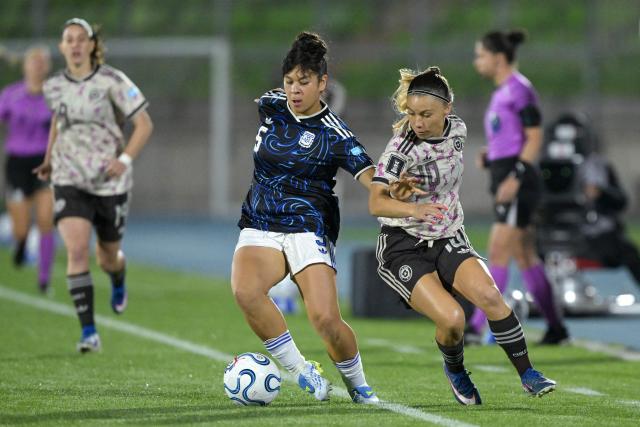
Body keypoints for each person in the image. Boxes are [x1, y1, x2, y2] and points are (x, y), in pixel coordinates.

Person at [369, 66, 556, 405]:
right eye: (412, 114)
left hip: (448, 236)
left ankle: (529, 374)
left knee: (490, 296)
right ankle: (455, 369)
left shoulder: (458, 130)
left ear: (447, 110)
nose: (418, 122)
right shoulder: (400, 149)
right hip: (403, 246)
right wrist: (409, 205)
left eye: (426, 114)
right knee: (453, 319)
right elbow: (375, 202)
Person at [231, 32, 378, 404]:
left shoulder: (336, 135)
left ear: (323, 83)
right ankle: (301, 371)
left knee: (326, 321)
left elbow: (370, 177)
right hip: (261, 219)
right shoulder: (271, 105)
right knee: (246, 292)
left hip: (308, 225)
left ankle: (358, 385)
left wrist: (394, 189)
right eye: (289, 81)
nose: (295, 90)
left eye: (304, 82)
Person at [34, 18, 153, 352]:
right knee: (75, 249)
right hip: (68, 177)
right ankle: (89, 332)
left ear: (91, 45)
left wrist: (124, 160)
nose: (74, 44)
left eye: (80, 39)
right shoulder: (54, 86)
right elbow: (59, 121)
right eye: (68, 39)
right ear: (62, 47)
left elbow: (143, 123)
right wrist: (48, 158)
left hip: (108, 182)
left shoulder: (113, 80)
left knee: (107, 256)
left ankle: (118, 276)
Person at [470, 29, 569, 345]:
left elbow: (535, 137)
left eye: (481, 55)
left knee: (498, 249)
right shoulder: (502, 92)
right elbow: (509, 137)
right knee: (525, 256)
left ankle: (474, 327)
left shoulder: (520, 90)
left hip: (519, 181)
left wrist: (514, 176)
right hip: (506, 173)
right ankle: (557, 329)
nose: (477, 62)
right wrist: (492, 155)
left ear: (498, 58)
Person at [0, 46, 55, 292]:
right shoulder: (11, 95)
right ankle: (21, 244)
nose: (38, 65)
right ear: (25, 65)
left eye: (42, 62)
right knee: (21, 227)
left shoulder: (55, 96)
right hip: (17, 164)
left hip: (45, 163)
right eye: (34, 61)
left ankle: (44, 279)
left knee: (46, 220)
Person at [578, 152, 640, 287]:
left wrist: (600, 193)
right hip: (562, 232)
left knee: (629, 254)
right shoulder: (547, 165)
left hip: (601, 235)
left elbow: (620, 201)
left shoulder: (599, 165)